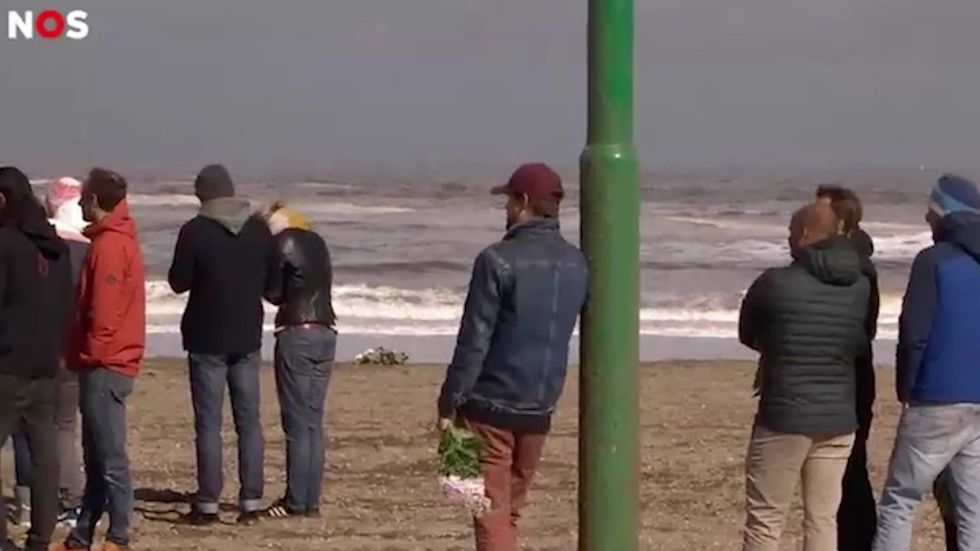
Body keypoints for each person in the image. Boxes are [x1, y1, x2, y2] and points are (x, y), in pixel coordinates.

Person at [436, 163, 588, 551]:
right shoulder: (577, 263)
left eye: (508, 200)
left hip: (489, 405)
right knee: (509, 510)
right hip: (540, 406)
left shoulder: (496, 259)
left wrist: (449, 401)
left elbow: (474, 339)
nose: (505, 209)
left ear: (522, 202)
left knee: (487, 509)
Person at [739, 201, 871, 551]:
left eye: (789, 234)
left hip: (785, 414)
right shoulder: (859, 285)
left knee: (766, 518)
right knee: (823, 519)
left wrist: (778, 348)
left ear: (803, 234)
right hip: (839, 415)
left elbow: (747, 333)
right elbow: (858, 340)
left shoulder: (774, 283)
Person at [872, 174, 980, 551]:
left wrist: (907, 387)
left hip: (936, 395)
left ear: (943, 213)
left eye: (931, 212)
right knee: (973, 508)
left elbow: (915, 332)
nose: (926, 219)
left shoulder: (933, 261)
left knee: (901, 499)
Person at [168, 164, 273, 525]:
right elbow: (273, 284)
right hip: (247, 333)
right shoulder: (259, 229)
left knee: (209, 423)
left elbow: (178, 281)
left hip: (206, 334)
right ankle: (251, 501)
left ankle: (209, 502)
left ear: (203, 195)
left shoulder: (195, 231)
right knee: (249, 421)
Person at [55, 167, 145, 551]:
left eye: (84, 197)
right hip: (103, 360)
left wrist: (88, 353)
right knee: (96, 458)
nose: (79, 203)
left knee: (109, 457)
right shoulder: (110, 240)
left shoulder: (110, 245)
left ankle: (119, 536)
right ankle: (82, 536)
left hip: (107, 363)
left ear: (94, 200)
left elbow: (104, 314)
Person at [7, 177, 91, 530]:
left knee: (29, 430)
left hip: (28, 350)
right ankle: (65, 503)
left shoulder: (28, 241)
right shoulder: (84, 244)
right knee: (59, 429)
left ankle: (33, 502)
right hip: (67, 347)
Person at [0, 167, 74, 551]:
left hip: (8, 366)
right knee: (45, 459)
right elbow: (66, 306)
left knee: (42, 457)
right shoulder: (56, 247)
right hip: (46, 364)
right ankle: (40, 539)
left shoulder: (6, 242)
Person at [261, 202, 338, 519]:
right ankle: (311, 500)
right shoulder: (317, 242)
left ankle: (295, 499)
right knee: (313, 421)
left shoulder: (283, 243)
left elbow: (276, 293)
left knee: (295, 422)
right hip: (326, 329)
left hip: (296, 330)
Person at [815, 184, 880, 551]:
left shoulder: (856, 268)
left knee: (850, 469)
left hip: (851, 378)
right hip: (844, 377)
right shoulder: (841, 262)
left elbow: (861, 330)